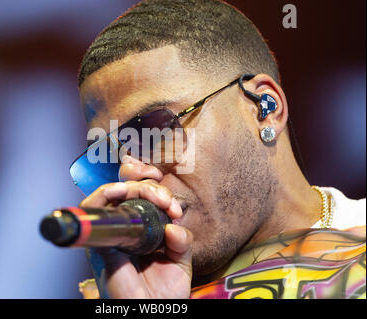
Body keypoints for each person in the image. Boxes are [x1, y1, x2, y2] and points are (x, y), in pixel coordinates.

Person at [70, 0, 366, 299]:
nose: (129, 172)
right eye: (108, 157)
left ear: (265, 108)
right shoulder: (121, 294)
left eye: (154, 132)